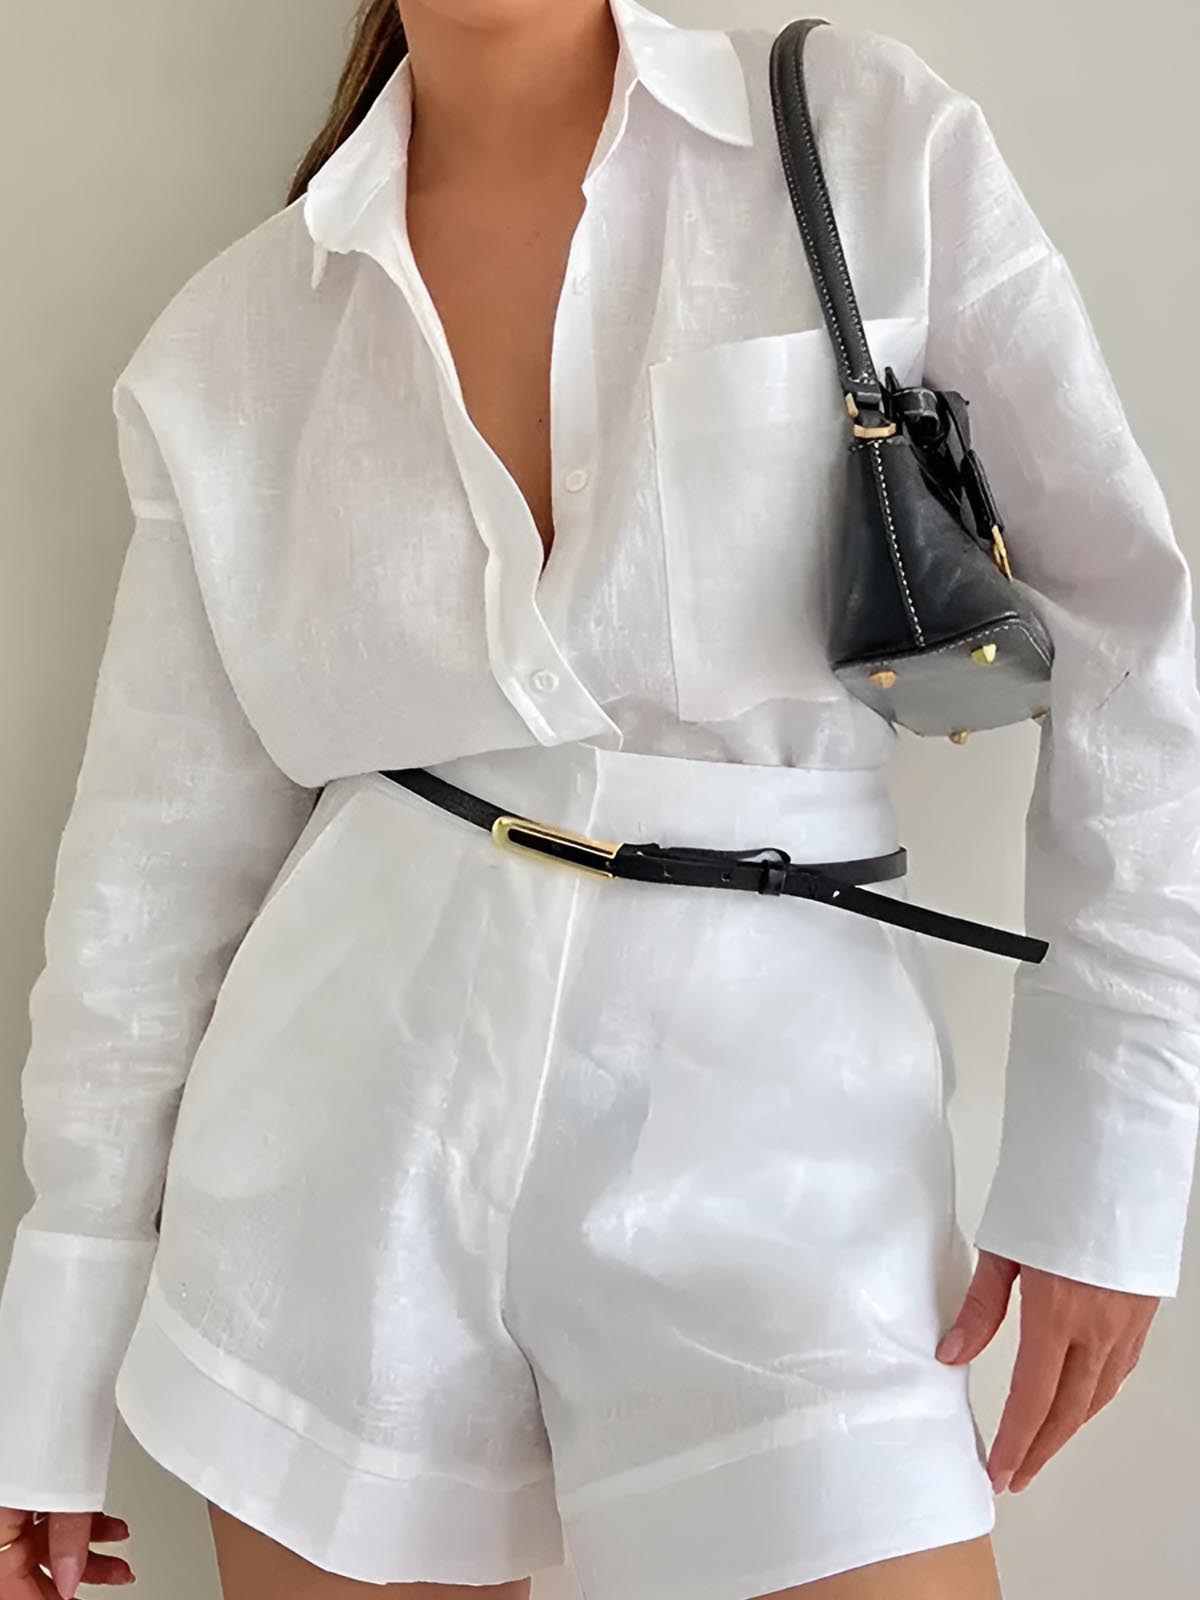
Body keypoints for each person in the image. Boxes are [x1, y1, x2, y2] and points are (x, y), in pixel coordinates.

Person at [1, 1, 1197, 1597]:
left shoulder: (856, 139)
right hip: (335, 1176)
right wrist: (52, 1385)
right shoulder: (235, 340)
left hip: (789, 1163)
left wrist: (1106, 1165)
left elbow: (1131, 637)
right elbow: (152, 872)